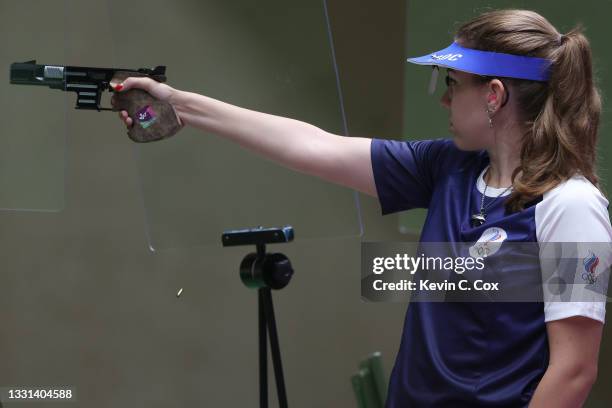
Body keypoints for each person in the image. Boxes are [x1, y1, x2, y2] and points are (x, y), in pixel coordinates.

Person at [112, 8, 610, 407]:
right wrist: (180, 103)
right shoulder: (447, 167)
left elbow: (573, 373)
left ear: (494, 96)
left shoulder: (572, 206)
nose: (444, 101)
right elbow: (313, 146)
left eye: (452, 84)